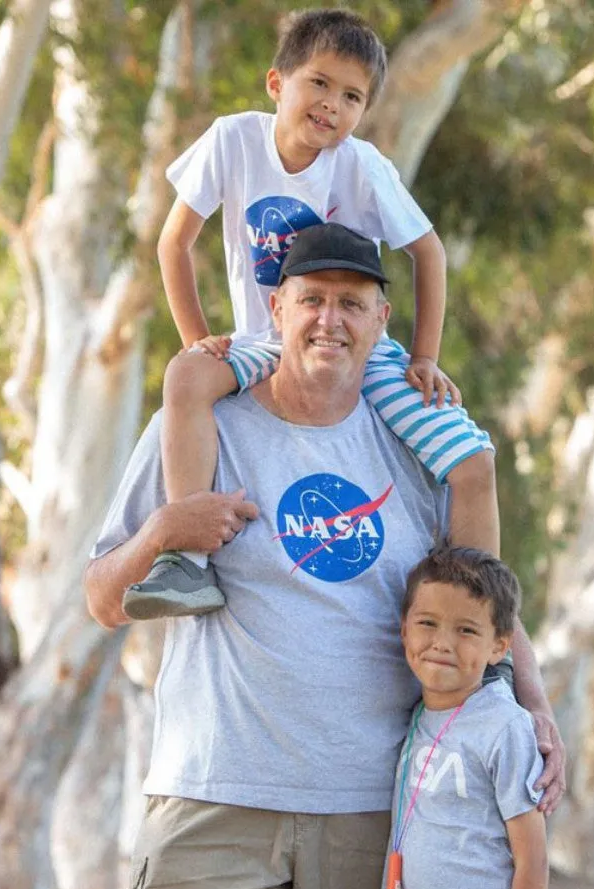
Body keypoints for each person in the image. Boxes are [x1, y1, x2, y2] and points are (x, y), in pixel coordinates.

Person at [84, 223, 565, 889]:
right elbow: (102, 600)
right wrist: (167, 529)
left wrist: (536, 705)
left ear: (382, 323)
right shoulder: (200, 427)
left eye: (353, 303)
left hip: (372, 811)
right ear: (276, 308)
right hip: (215, 793)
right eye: (311, 300)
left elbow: (484, 604)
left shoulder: (416, 447)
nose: (329, 321)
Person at [123, 7, 500, 620]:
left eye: (352, 95)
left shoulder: (362, 165)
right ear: (278, 84)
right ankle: (188, 564)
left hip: (358, 348)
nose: (332, 104)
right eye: (319, 83)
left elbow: (428, 252)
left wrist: (425, 357)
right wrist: (197, 339)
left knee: (473, 458)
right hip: (267, 337)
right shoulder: (233, 139)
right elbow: (173, 243)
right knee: (185, 377)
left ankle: (480, 620)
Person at [364, 545, 561, 889]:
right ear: (403, 628)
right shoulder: (416, 718)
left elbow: (532, 861)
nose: (442, 643)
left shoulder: (504, 726)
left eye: (467, 630)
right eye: (427, 623)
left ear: (500, 645)